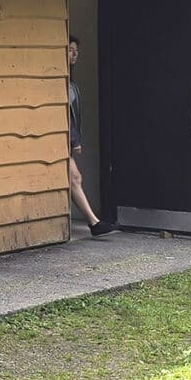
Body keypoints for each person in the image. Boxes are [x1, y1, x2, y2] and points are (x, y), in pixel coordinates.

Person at [67, 36, 115, 237]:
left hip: (66, 140)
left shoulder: (71, 82)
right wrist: (74, 139)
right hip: (64, 139)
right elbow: (63, 113)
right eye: (70, 50)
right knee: (75, 177)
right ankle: (93, 223)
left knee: (73, 178)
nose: (74, 55)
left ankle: (93, 222)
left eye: (76, 51)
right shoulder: (60, 82)